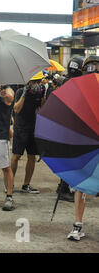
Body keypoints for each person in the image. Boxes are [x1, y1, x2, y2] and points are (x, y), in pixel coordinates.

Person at [67, 55, 98, 241]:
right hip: (85, 143)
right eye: (89, 67)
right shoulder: (78, 90)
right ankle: (78, 225)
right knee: (80, 184)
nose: (92, 70)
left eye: (95, 67)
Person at [10, 72, 46, 194]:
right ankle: (9, 183)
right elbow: (16, 109)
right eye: (34, 82)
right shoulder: (20, 91)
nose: (36, 84)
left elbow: (42, 108)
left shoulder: (40, 91)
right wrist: (25, 93)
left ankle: (26, 185)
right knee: (16, 156)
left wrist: (43, 96)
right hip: (21, 128)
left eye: (38, 81)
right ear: (28, 82)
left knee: (32, 156)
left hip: (34, 127)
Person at [57, 56, 84, 202]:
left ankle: (62, 186)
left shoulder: (64, 82)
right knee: (71, 160)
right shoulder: (75, 84)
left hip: (63, 127)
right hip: (70, 128)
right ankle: (63, 189)